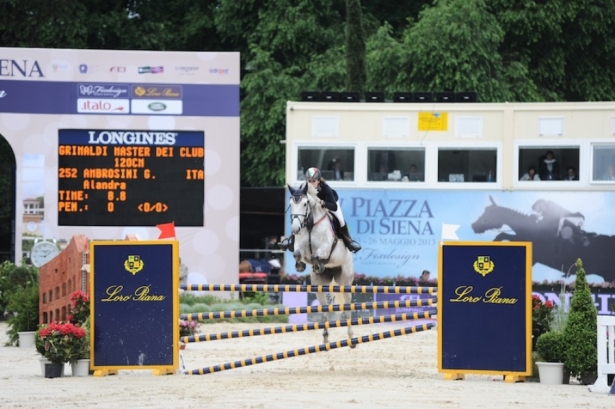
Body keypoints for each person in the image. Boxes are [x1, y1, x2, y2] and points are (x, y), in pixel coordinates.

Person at [279, 167, 361, 253]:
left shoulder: (325, 188)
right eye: (309, 181)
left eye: (313, 181)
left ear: (318, 180)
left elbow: (334, 206)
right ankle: (291, 241)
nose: (310, 183)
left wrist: (323, 203)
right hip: (314, 208)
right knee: (299, 218)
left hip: (330, 203)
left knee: (340, 220)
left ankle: (349, 242)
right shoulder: (303, 187)